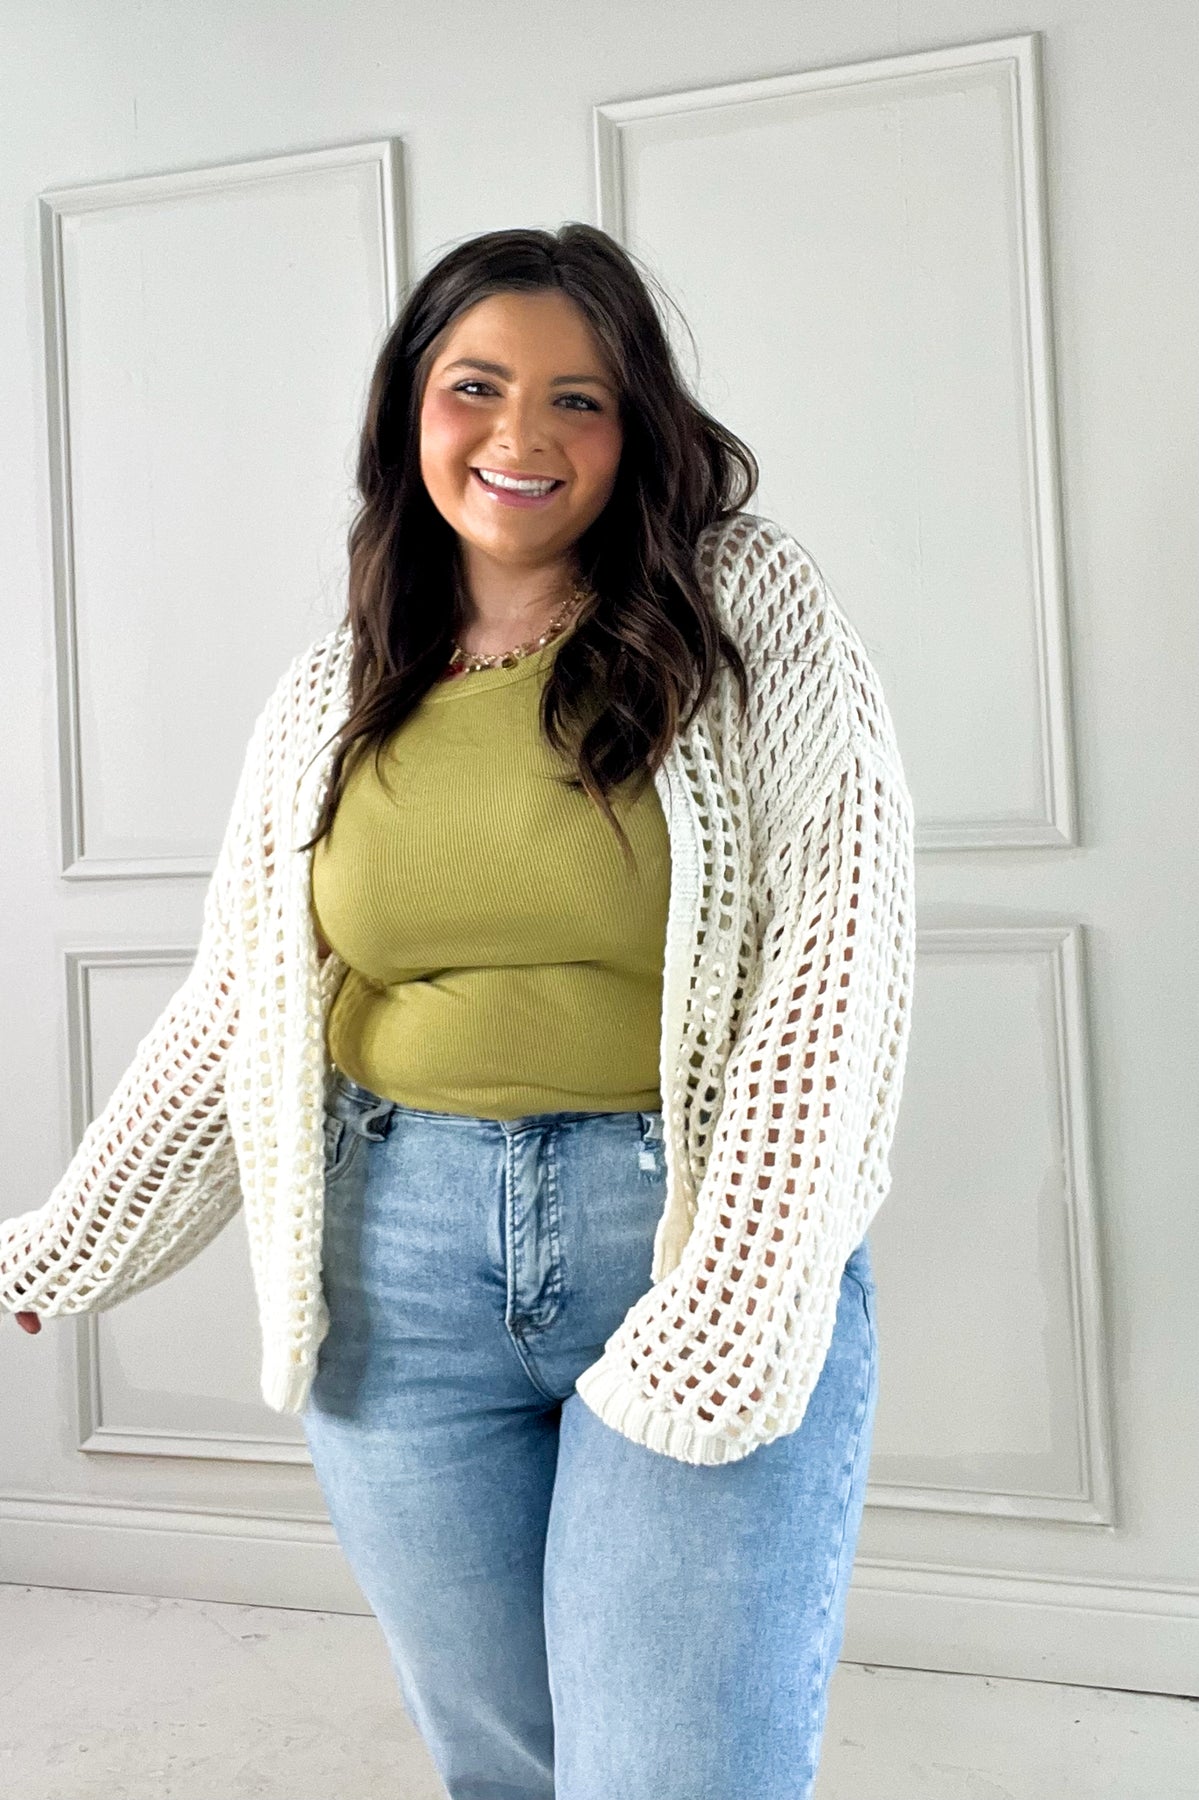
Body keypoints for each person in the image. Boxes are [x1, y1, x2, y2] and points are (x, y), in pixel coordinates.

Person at [3, 222, 916, 1799]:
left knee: (671, 1776)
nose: (521, 435)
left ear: (636, 429)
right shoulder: (335, 690)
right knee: (507, 1769)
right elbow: (240, 1009)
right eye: (476, 387)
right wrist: (61, 1242)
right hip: (393, 1262)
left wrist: (738, 1291)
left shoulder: (741, 612)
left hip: (679, 1236)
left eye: (580, 398)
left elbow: (837, 961)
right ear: (408, 413)